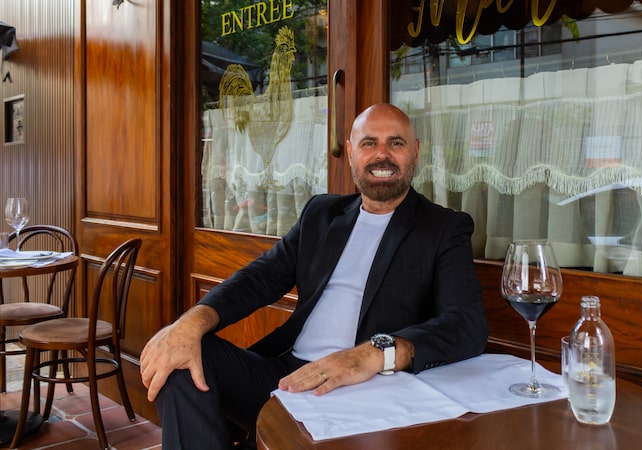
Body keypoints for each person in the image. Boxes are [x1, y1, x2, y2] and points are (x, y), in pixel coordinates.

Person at [139, 103, 489, 449]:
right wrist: (192, 323)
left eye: (395, 143)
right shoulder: (322, 213)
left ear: (415, 152)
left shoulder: (442, 228)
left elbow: (465, 324)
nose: (382, 155)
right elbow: (259, 278)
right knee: (182, 354)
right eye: (369, 143)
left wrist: (372, 354)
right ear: (351, 152)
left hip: (366, 390)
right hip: (287, 376)